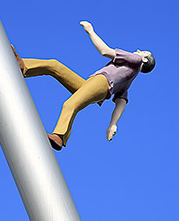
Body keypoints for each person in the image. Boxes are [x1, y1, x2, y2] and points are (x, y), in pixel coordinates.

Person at [11, 21, 155, 151]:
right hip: (93, 86)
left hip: (101, 83)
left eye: (142, 52)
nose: (138, 50)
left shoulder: (135, 60)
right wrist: (113, 124)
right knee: (55, 66)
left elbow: (105, 51)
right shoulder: (130, 77)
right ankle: (24, 66)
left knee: (70, 104)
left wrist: (90, 31)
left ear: (144, 59)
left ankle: (59, 136)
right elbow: (121, 102)